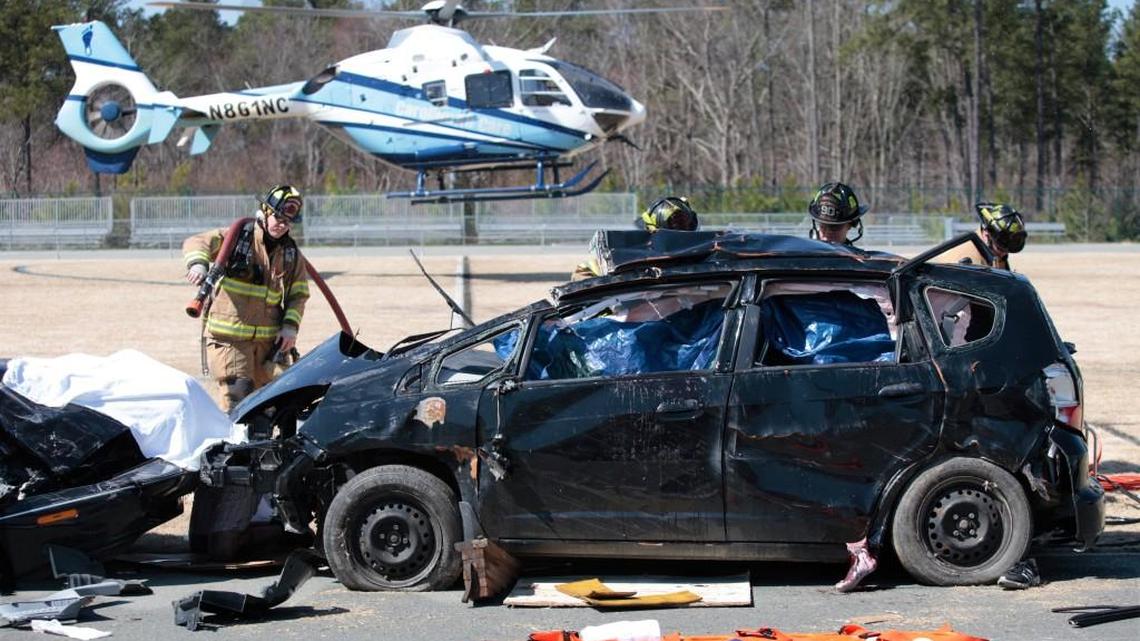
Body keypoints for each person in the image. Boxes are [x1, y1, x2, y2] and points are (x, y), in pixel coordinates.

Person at [183, 184, 310, 412]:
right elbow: (197, 242)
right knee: (238, 400)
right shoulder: (238, 237)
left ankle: (263, 448)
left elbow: (298, 293)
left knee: (272, 403)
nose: (282, 225)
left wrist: (290, 327)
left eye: (287, 222)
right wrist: (199, 265)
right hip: (230, 340)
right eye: (278, 218)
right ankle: (234, 446)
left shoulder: (290, 253)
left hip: (267, 344)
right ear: (265, 211)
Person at [571, 195, 700, 281]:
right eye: (675, 224)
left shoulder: (706, 259)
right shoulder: (632, 261)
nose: (679, 228)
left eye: (683, 223)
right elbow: (582, 275)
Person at [933, 201, 1028, 271]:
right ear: (987, 235)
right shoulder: (965, 259)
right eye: (1001, 248)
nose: (1004, 254)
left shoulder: (992, 251)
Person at [974, 202, 1027, 270]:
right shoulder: (970, 258)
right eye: (1000, 249)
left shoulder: (994, 254)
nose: (1004, 254)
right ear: (986, 235)